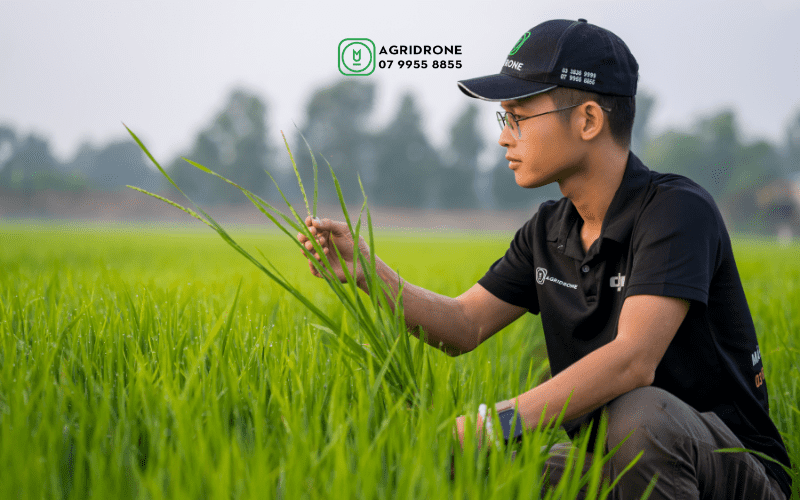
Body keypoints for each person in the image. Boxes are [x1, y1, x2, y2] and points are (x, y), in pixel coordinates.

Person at [298, 19, 792, 499]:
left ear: (589, 120)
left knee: (637, 417)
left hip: (731, 469)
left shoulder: (677, 212)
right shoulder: (548, 231)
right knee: (462, 459)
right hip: (610, 456)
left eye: (518, 117)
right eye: (503, 118)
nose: (503, 137)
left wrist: (500, 421)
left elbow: (633, 361)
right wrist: (368, 271)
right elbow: (463, 324)